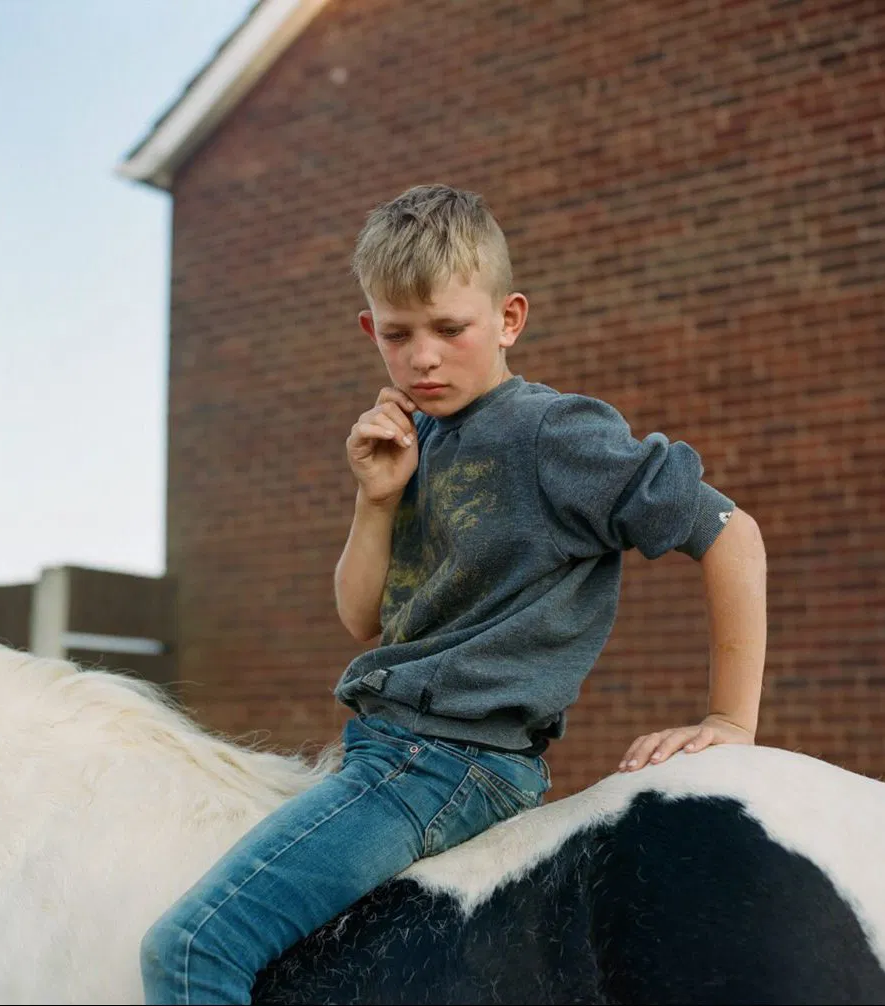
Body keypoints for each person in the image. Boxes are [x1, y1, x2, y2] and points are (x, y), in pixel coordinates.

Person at [140, 183, 767, 1004]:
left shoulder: (549, 433)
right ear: (369, 330)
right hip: (392, 753)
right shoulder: (416, 436)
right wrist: (376, 498)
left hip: (439, 763)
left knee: (190, 949)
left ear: (509, 319)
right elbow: (362, 619)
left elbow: (730, 532)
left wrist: (729, 720)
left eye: (449, 329)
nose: (423, 358)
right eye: (398, 335)